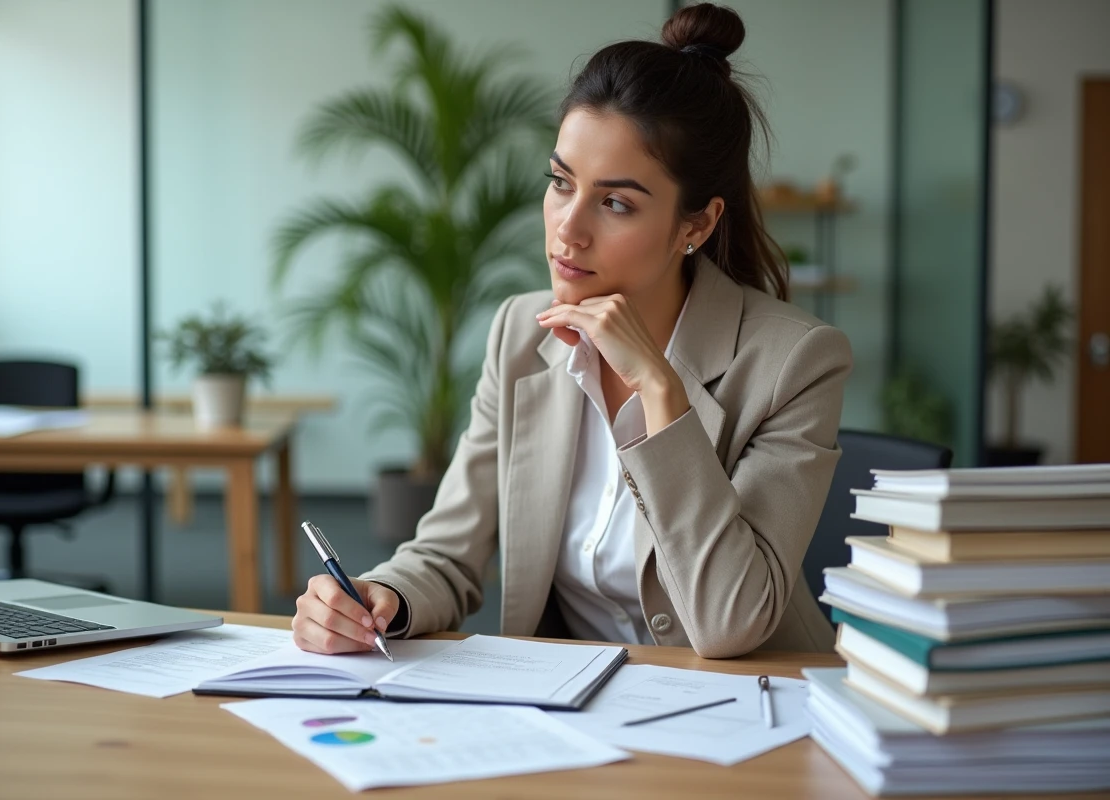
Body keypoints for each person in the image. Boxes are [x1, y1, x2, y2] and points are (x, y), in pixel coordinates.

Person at [292, 2, 852, 659]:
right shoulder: (521, 334)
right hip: (574, 712)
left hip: (751, 709)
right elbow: (447, 552)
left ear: (695, 226)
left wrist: (661, 394)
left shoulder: (796, 362)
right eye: (561, 182)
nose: (568, 228)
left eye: (615, 202)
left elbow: (731, 622)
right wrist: (378, 597)